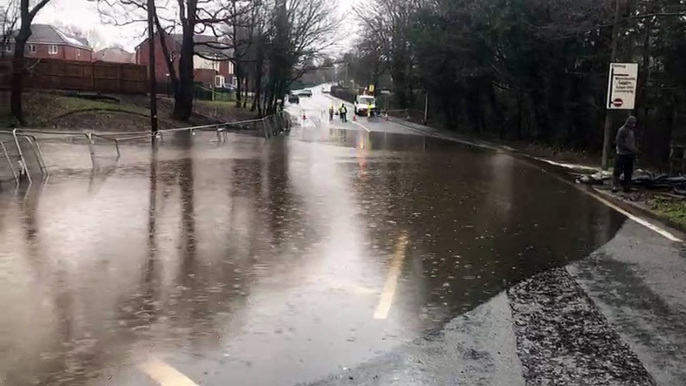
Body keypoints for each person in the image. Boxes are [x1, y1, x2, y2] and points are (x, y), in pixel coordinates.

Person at [612, 116, 638, 193]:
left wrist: (634, 150)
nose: (633, 125)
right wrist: (628, 148)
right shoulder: (622, 130)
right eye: (632, 123)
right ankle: (615, 186)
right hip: (621, 153)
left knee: (628, 171)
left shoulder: (632, 131)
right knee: (617, 171)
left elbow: (633, 142)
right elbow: (619, 142)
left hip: (630, 154)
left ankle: (627, 187)